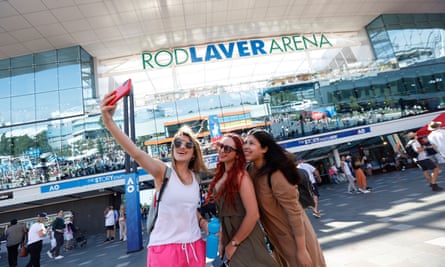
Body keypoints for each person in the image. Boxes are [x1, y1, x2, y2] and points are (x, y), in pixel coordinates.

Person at [101, 94, 210, 267]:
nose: (182, 147)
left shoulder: (195, 178)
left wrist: (203, 222)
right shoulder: (163, 171)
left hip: (194, 245)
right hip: (165, 248)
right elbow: (136, 153)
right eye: (178, 143)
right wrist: (109, 122)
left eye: (188, 145)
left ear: (194, 152)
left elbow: (188, 208)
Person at [243, 129, 326, 267]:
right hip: (276, 239)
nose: (246, 146)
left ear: (264, 149)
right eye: (245, 142)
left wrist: (301, 250)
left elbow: (295, 213)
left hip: (296, 239)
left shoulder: (276, 175)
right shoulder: (251, 171)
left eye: (251, 143)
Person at [205, 133, 279, 266]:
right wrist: (222, 241)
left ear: (238, 154)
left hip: (245, 236)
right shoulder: (222, 175)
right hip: (229, 235)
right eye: (221, 146)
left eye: (227, 148)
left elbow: (253, 214)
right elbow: (222, 215)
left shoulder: (241, 177)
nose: (222, 150)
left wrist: (234, 243)